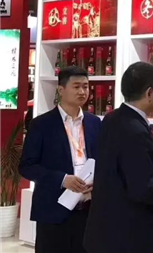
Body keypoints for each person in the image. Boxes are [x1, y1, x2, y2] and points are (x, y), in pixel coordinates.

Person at [84, 62, 153, 253]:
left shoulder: (113, 118)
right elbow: (144, 189)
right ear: (149, 93)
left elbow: (123, 169)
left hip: (107, 231)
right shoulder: (136, 130)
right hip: (131, 237)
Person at [20, 66, 101, 253]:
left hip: (88, 210)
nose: (82, 92)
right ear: (61, 90)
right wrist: (63, 179)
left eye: (86, 86)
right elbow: (27, 166)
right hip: (53, 211)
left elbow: (101, 160)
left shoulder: (94, 123)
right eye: (76, 86)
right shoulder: (41, 124)